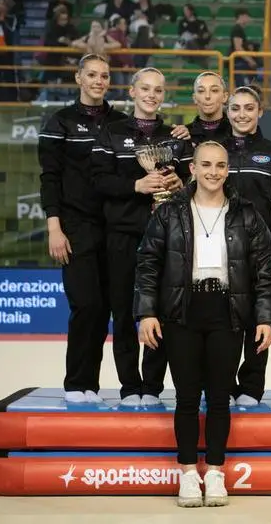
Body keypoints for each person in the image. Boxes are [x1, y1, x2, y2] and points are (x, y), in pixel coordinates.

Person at [135, 141, 271, 508]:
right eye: (206, 165)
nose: (213, 171)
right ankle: (186, 473)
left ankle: (214, 471)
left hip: (227, 311)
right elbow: (148, 263)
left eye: (220, 165)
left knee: (218, 398)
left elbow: (264, 271)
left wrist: (264, 317)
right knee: (185, 398)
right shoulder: (169, 212)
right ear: (192, 169)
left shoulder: (246, 213)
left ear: (228, 169)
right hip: (181, 310)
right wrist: (147, 312)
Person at [91, 67, 194, 406]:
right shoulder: (111, 132)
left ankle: (151, 386)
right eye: (145, 88)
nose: (152, 95)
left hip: (166, 239)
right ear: (132, 91)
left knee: (160, 313)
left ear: (164, 96)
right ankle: (129, 386)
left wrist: (181, 186)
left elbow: (193, 185)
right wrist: (136, 185)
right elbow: (97, 181)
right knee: (122, 312)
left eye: (158, 90)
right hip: (122, 235)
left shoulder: (175, 138)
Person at [39, 54, 130, 403]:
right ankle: (77, 383)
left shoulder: (121, 123)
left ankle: (92, 386)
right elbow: (49, 179)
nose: (98, 80)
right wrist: (54, 228)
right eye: (91, 74)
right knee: (86, 305)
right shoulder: (59, 122)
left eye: (104, 76)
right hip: (75, 228)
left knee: (108, 308)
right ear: (78, 78)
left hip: (115, 228)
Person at [219, 86, 271, 406]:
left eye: (249, 108)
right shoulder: (214, 150)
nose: (242, 114)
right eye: (235, 108)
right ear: (227, 112)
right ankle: (221, 384)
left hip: (261, 251)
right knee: (222, 321)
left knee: (258, 319)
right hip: (217, 251)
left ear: (260, 111)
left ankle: (251, 387)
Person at [188, 72, 230, 146]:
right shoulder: (184, 134)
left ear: (225, 97)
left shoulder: (237, 132)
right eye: (201, 91)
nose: (207, 96)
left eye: (214, 90)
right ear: (194, 98)